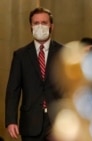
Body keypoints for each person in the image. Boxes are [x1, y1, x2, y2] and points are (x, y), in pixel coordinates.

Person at [5, 7, 63, 141]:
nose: (40, 26)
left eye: (44, 22)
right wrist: (11, 120)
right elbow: (13, 90)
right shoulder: (21, 55)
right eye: (36, 23)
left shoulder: (64, 53)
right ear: (31, 26)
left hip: (58, 123)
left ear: (51, 26)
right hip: (30, 122)